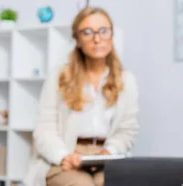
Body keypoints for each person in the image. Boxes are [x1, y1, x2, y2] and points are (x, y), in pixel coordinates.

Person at [23, 7, 139, 186]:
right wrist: (64, 156)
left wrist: (107, 153)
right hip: (65, 157)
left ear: (111, 35)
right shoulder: (59, 76)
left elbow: (127, 130)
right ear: (77, 39)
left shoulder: (126, 80)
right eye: (87, 32)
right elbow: (44, 129)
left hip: (106, 158)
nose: (97, 38)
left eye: (103, 31)